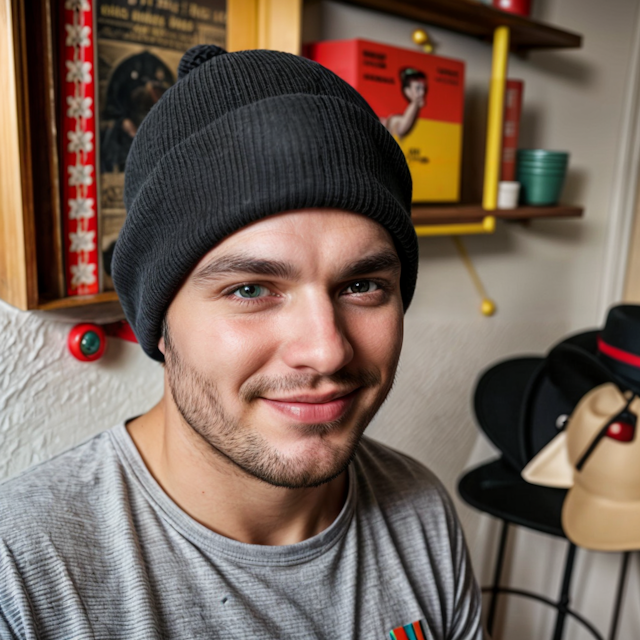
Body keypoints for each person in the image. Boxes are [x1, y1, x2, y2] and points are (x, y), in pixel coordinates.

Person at [0, 46, 483, 639]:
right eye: (251, 288)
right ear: (159, 322)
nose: (327, 351)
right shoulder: (22, 576)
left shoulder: (421, 514)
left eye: (362, 285)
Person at [383, 68, 428, 139]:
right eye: (418, 88)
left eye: (424, 88)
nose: (422, 92)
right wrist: (415, 103)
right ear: (407, 91)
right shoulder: (395, 121)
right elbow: (401, 129)